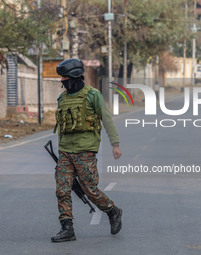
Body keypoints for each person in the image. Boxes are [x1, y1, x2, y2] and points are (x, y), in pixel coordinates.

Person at [51, 58, 123, 242]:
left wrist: (115, 144)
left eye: (65, 78)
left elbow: (106, 119)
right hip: (66, 152)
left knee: (89, 189)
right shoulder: (62, 98)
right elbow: (61, 127)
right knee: (62, 190)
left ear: (74, 77)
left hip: (85, 151)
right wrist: (60, 153)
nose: (62, 81)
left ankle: (112, 210)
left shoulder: (93, 95)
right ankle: (67, 229)